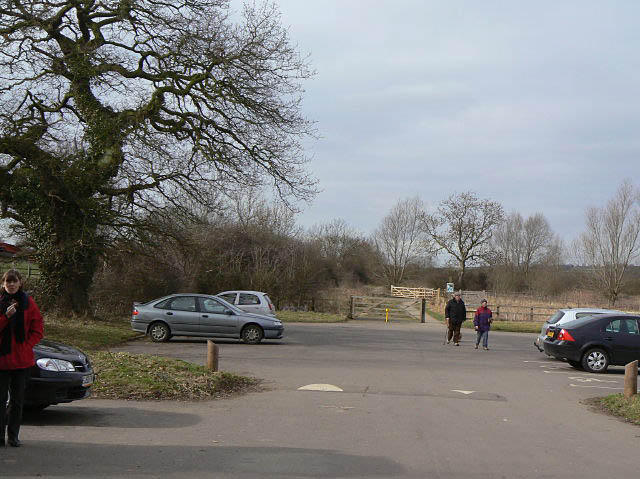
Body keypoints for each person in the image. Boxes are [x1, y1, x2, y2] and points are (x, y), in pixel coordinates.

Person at [0, 269, 43, 447]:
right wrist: (5, 317)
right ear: (3, 284)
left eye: (14, 281)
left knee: (17, 401)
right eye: (7, 281)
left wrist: (27, 344)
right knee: (0, 400)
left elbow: (38, 327)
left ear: (20, 283)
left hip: (21, 360)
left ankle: (13, 436)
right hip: (1, 360)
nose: (11, 284)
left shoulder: (28, 302)